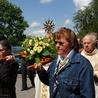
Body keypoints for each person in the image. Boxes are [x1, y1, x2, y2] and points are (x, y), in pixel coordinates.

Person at [34, 27, 95, 98]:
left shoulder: (83, 65)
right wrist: (40, 70)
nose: (57, 46)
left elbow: (88, 95)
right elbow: (50, 82)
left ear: (71, 43)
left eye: (61, 43)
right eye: (56, 42)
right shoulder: (55, 62)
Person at [81, 32, 98, 98]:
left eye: (88, 43)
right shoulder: (79, 55)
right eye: (84, 43)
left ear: (94, 43)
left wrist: (94, 73)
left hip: (95, 85)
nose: (86, 45)